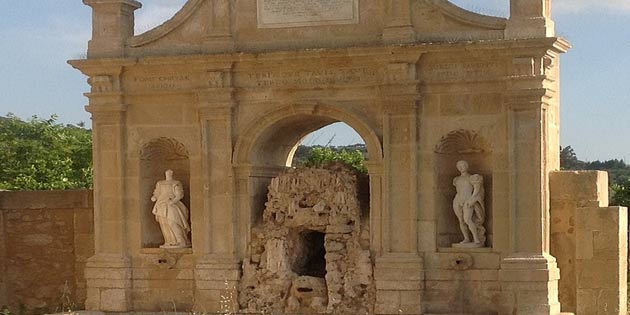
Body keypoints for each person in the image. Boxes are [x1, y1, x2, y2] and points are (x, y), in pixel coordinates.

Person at [151, 169, 191, 248]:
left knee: (173, 221)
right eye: (167, 173)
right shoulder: (160, 183)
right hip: (161, 205)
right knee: (164, 223)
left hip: (172, 204)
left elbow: (179, 195)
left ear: (172, 174)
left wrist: (172, 201)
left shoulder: (176, 183)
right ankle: (169, 241)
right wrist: (154, 197)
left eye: (170, 173)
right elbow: (157, 192)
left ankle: (181, 240)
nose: (168, 174)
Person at [452, 160, 486, 247]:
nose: (461, 167)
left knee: (467, 219)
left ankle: (475, 238)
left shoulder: (472, 177)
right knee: (461, 220)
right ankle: (466, 238)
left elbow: (477, 190)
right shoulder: (456, 179)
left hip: (468, 200)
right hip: (458, 200)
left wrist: (471, 200)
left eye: (462, 165)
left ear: (466, 166)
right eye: (459, 166)